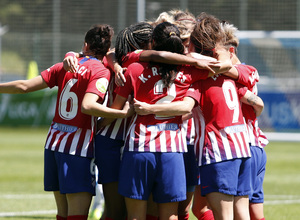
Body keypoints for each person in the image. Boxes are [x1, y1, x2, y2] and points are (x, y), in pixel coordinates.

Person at [133, 13, 264, 220]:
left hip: (218, 152)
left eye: (188, 43)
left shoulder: (197, 77)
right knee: (238, 214)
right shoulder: (238, 72)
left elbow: (185, 106)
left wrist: (149, 109)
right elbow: (258, 103)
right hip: (244, 148)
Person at [0, 24, 133, 220]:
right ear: (106, 49)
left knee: (62, 214)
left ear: (85, 44)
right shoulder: (101, 71)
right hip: (76, 149)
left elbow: (23, 86)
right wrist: (122, 114)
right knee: (77, 215)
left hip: (53, 144)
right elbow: (87, 106)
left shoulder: (64, 65)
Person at [99, 21, 223, 220]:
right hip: (172, 150)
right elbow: (225, 66)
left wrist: (99, 124)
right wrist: (192, 58)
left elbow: (115, 108)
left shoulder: (134, 68)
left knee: (135, 216)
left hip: (139, 148)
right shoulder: (189, 72)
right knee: (170, 215)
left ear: (154, 42)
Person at [220, 20, 269, 220]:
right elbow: (258, 104)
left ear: (230, 51)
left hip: (245, 146)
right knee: (254, 211)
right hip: (255, 146)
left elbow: (257, 103)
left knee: (236, 209)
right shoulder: (246, 72)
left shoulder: (239, 74)